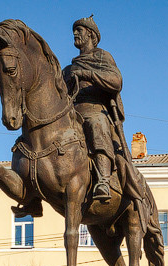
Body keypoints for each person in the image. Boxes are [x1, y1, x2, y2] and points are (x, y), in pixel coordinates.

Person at [62, 16, 124, 202]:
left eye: (79, 30)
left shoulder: (103, 57)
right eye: (74, 30)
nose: (75, 33)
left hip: (94, 107)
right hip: (70, 111)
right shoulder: (68, 68)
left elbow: (116, 81)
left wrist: (88, 74)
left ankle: (104, 180)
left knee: (96, 122)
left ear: (91, 34)